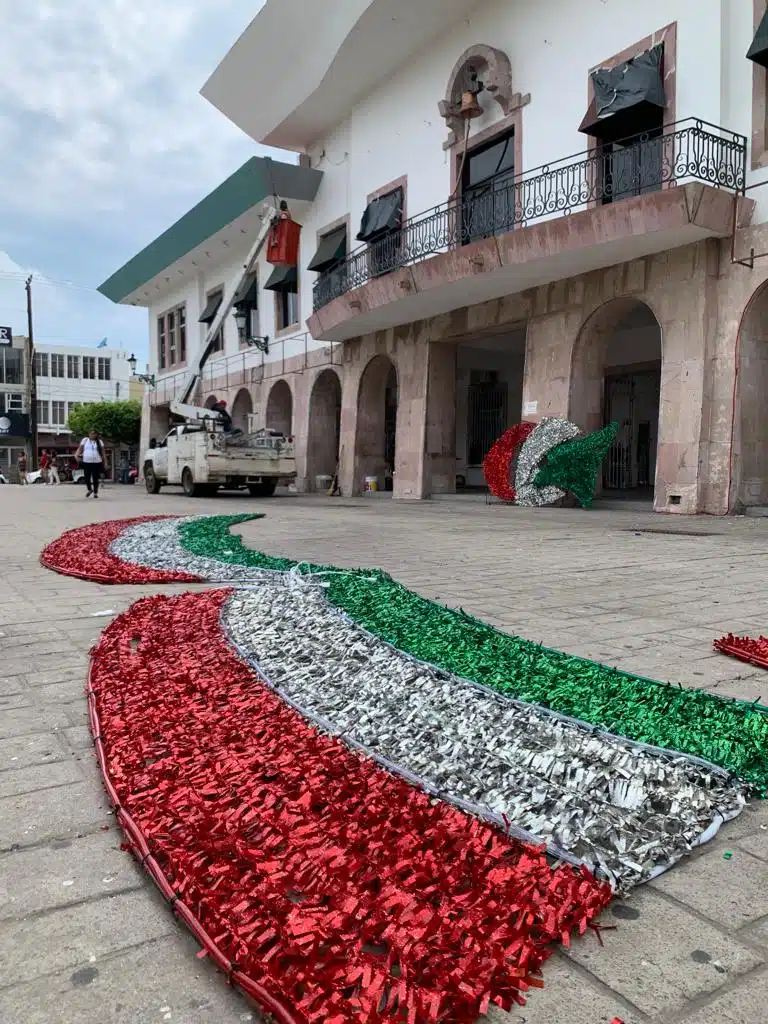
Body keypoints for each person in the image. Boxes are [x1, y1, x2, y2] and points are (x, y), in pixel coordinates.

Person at [76, 430, 105, 498]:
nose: (93, 435)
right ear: (88, 434)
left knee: (95, 478)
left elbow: (103, 453)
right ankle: (90, 489)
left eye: (94, 434)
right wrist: (76, 455)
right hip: (87, 462)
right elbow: (80, 449)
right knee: (87, 477)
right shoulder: (85, 440)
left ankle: (95, 492)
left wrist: (105, 462)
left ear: (96, 435)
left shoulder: (99, 442)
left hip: (97, 462)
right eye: (91, 434)